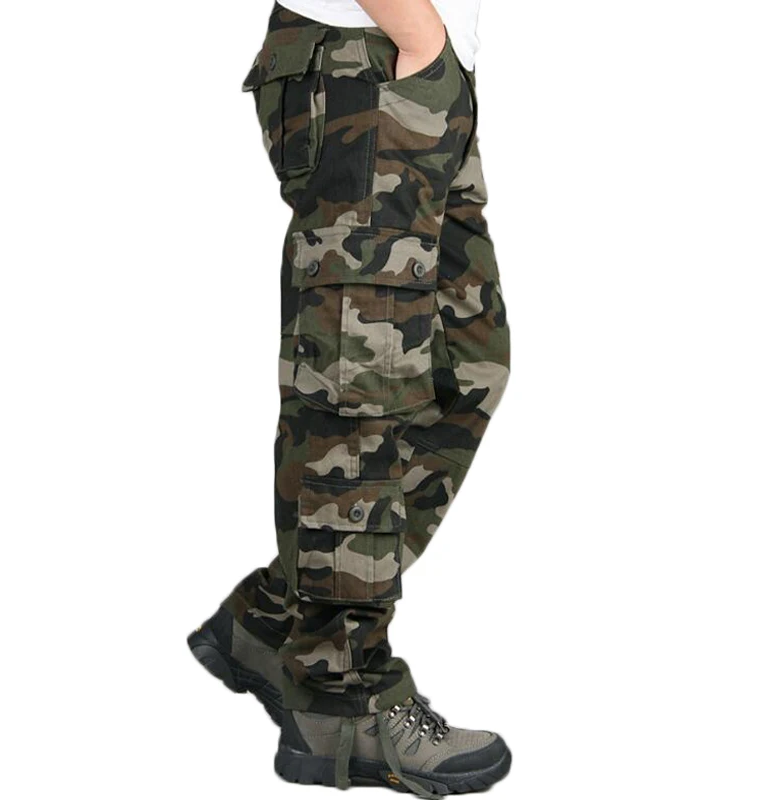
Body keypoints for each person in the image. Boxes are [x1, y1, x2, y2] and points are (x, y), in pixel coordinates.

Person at [188, 1, 511, 795]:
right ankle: (341, 697)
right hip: (368, 64)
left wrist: (438, 59)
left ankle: (278, 617)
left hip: (416, 69)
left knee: (464, 366)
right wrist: (421, 40)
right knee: (361, 389)